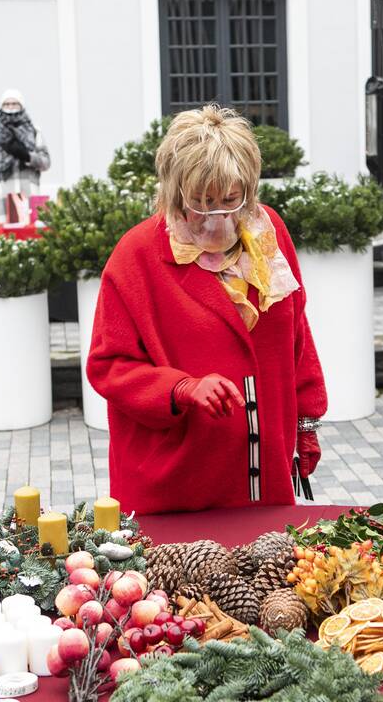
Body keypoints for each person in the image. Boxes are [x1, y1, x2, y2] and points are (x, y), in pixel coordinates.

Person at [86, 105, 327, 516]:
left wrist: (306, 422)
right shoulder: (138, 255)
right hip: (175, 483)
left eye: (231, 201)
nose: (217, 220)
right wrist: (181, 388)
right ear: (176, 193)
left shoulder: (268, 234)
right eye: (201, 203)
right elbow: (109, 365)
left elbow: (296, 333)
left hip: (260, 477)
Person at [0, 90, 51, 231]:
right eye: (7, 104)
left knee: (31, 234)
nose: (10, 107)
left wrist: (27, 156)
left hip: (29, 192)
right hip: (3, 194)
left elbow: (46, 162)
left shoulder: (34, 131)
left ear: (21, 105)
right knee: (4, 236)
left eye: (14, 103)